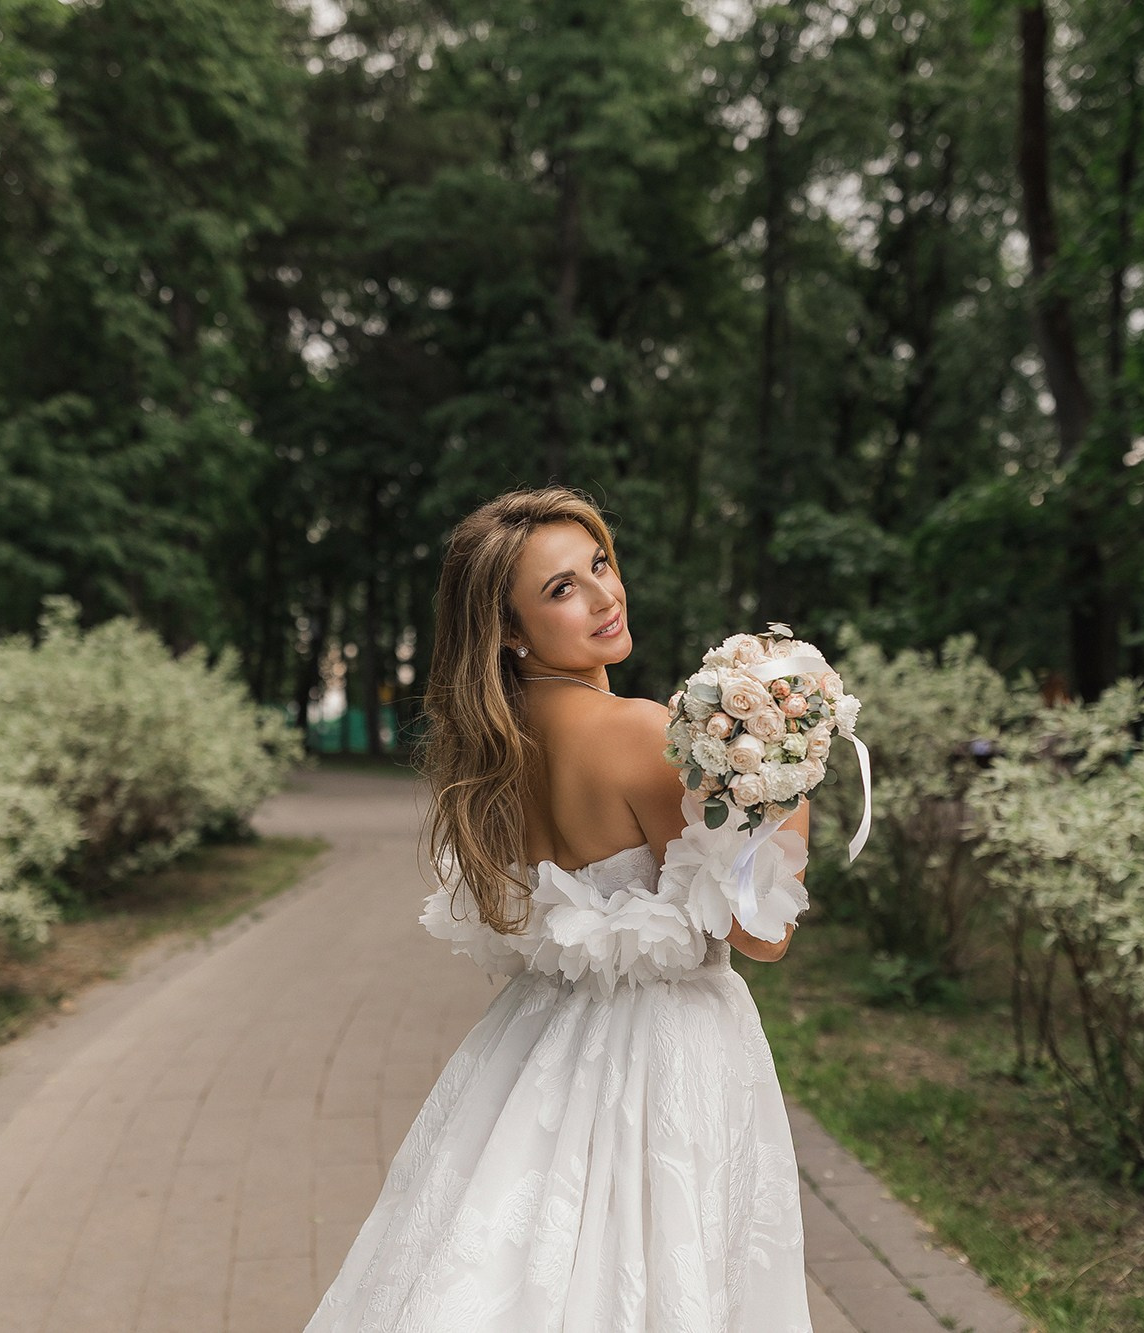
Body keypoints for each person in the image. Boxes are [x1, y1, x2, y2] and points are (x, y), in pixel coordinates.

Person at [303, 486, 814, 1332]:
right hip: (665, 1051)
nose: (605, 595)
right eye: (562, 588)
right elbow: (764, 932)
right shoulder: (638, 732)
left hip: (540, 1039)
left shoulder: (498, 751)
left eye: (600, 563)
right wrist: (788, 758)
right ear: (510, 630)